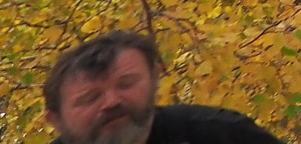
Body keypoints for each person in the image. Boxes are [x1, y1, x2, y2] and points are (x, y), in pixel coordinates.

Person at [42, 32, 282, 144]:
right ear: (55, 119)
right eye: (90, 97)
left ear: (155, 79)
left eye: (126, 84)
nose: (112, 101)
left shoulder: (222, 135)